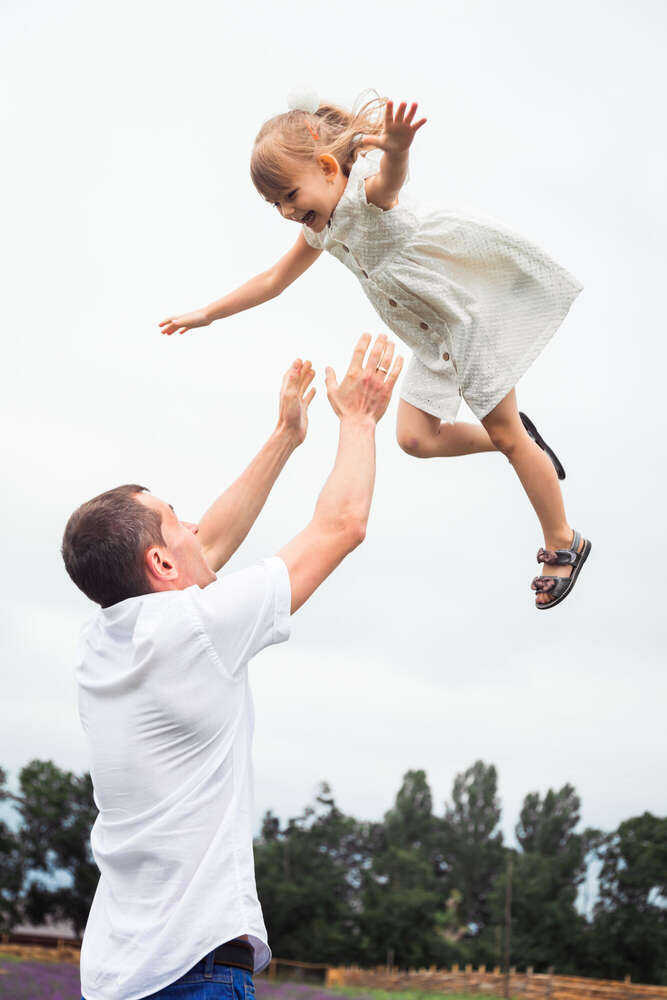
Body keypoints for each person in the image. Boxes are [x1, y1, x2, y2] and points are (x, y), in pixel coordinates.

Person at [62, 334, 402, 1000]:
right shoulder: (196, 629)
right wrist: (358, 421)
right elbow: (341, 526)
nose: (192, 523)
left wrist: (284, 435)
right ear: (161, 565)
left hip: (115, 975)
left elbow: (204, 546)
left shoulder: (104, 639)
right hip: (192, 977)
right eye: (174, 519)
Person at [159, 92, 591, 609]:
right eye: (275, 204)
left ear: (325, 168)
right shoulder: (321, 234)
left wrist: (399, 148)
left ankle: (563, 540)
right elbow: (273, 279)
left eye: (291, 195)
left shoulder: (368, 197)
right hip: (431, 340)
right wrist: (208, 313)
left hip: (464, 324)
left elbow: (392, 177)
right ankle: (518, 441)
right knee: (415, 439)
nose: (288, 211)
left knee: (505, 431)